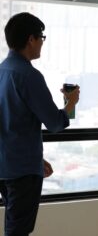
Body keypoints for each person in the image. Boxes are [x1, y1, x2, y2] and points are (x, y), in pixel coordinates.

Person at [0, 12, 80, 236]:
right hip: (22, 171)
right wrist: (70, 104)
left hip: (5, 165)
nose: (42, 44)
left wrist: (36, 157)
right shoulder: (28, 75)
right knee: (18, 231)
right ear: (30, 39)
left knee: (13, 227)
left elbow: (11, 123)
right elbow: (55, 123)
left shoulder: (2, 71)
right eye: (41, 38)